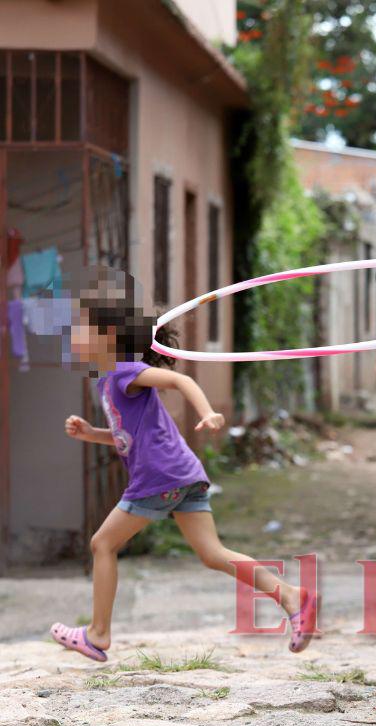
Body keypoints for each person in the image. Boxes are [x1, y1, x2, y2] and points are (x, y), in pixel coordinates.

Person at [51, 273, 317, 662]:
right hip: (182, 473)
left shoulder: (125, 372)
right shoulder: (109, 381)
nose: (72, 335)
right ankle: (292, 596)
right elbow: (128, 436)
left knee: (102, 544)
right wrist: (93, 433)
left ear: (106, 335)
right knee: (212, 554)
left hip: (159, 477)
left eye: (79, 327)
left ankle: (98, 633)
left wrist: (208, 412)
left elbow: (178, 379)